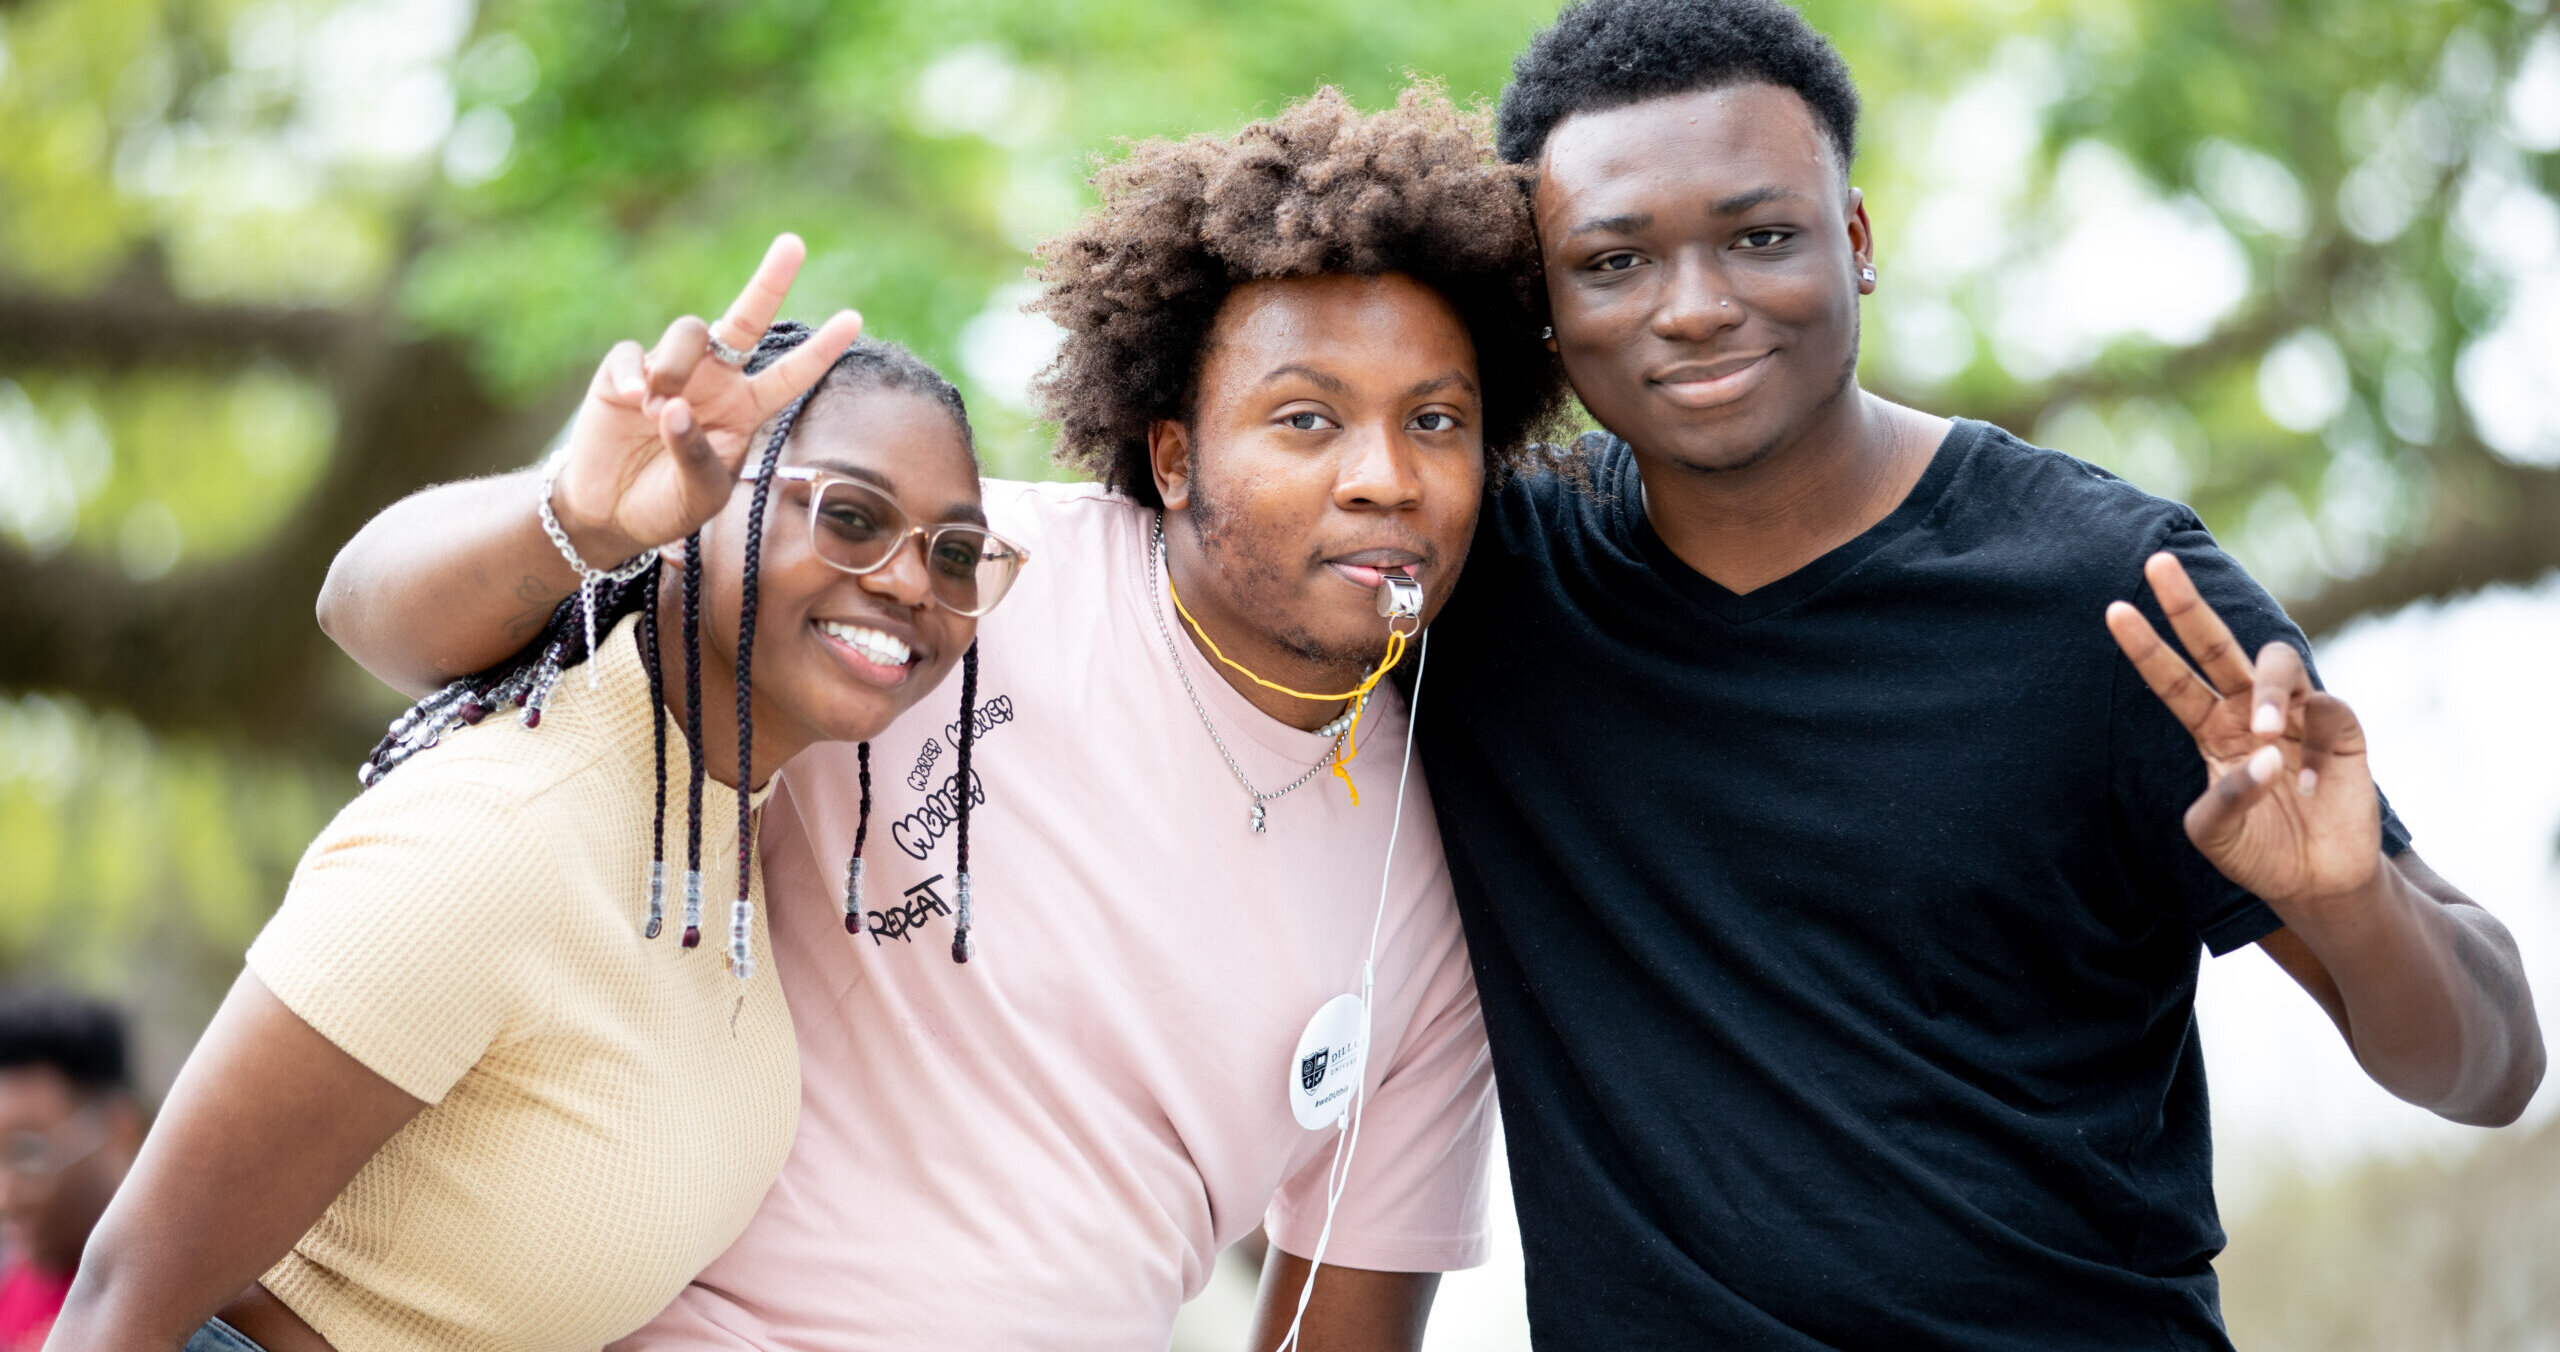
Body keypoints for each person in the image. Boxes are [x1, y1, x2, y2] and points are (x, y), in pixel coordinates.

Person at [310, 87, 1571, 1351]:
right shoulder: (951, 570)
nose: (1384, 476)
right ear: (1175, 456)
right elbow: (376, 618)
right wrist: (576, 515)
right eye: (1306, 417)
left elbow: (1339, 1323)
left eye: (1435, 422)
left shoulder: (1439, 876)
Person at [1407, 0, 2548, 1346]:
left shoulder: (2114, 595)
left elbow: (2490, 1067)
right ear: (1546, 308)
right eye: (1614, 262)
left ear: (1857, 239)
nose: (1697, 308)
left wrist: (2351, 903)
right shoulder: (1480, 575)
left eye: (1760, 236)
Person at [50, 276, 1022, 1352]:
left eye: (956, 552)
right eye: (849, 515)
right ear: (695, 500)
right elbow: (121, 1299)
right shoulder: (502, 830)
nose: (906, 579)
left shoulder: (720, 833)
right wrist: (578, 506)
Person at [0, 990, 143, 1352]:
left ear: (118, 1128)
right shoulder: (9, 1290)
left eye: (27, 1152)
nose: (5, 1198)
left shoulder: (169, 1302)